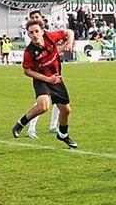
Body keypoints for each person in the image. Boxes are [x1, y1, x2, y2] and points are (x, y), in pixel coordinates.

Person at [12, 17, 78, 148]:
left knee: (66, 111)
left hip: (56, 78)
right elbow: (26, 71)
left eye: (36, 31)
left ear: (42, 31)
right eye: (31, 32)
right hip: (41, 79)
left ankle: (63, 135)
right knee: (43, 106)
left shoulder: (50, 37)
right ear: (28, 35)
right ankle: (20, 124)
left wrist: (69, 43)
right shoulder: (29, 52)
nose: (34, 35)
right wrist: (47, 79)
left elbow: (69, 32)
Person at [23, 9, 60, 138]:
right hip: (41, 73)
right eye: (32, 17)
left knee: (58, 100)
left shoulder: (47, 34)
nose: (35, 19)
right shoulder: (33, 40)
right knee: (41, 103)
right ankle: (31, 128)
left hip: (54, 71)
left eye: (37, 17)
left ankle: (53, 126)